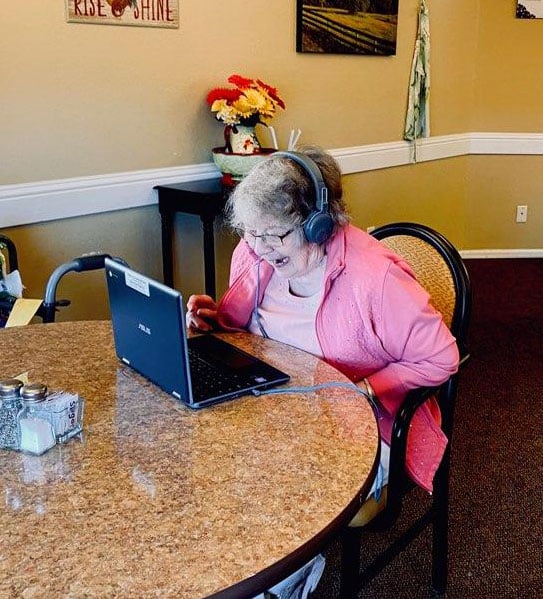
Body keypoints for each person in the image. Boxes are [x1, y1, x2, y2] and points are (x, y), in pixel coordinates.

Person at [186, 146, 459, 598]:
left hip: (359, 424)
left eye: (274, 236)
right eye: (251, 234)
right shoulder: (256, 251)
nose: (259, 248)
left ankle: (277, 585)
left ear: (320, 223)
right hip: (278, 404)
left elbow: (441, 358)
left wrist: (367, 389)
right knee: (207, 464)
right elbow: (248, 328)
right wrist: (216, 318)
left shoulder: (376, 280)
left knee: (285, 496)